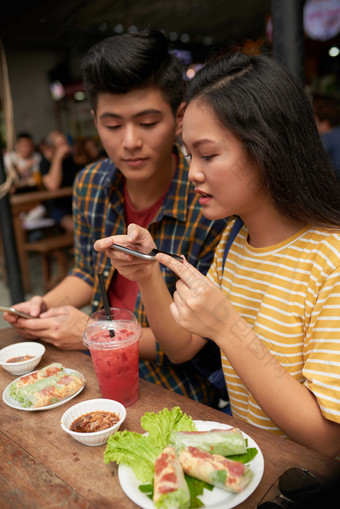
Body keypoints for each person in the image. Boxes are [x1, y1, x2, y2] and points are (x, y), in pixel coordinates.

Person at [94, 52, 340, 457]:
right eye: (190, 155)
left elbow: (327, 438)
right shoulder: (233, 239)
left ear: (268, 149)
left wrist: (227, 327)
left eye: (208, 154)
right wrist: (147, 273)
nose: (193, 172)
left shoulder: (328, 261)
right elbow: (181, 347)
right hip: (247, 464)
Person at [3, 30, 227, 408]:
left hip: (176, 389)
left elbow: (191, 341)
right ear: (94, 120)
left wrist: (94, 333)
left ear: (179, 118)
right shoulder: (90, 182)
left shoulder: (209, 202)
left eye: (147, 122)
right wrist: (42, 304)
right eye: (112, 125)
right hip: (93, 369)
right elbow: (87, 273)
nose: (129, 142)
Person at [39, 130, 79, 233]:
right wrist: (58, 157)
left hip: (74, 203)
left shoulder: (69, 159)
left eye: (65, 143)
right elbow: (53, 186)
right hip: (56, 207)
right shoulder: (44, 162)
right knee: (74, 227)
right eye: (60, 144)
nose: (65, 147)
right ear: (51, 148)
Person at [313, 95, 340, 178]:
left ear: (325, 123)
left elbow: (313, 156)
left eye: (316, 123)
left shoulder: (327, 137)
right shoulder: (337, 132)